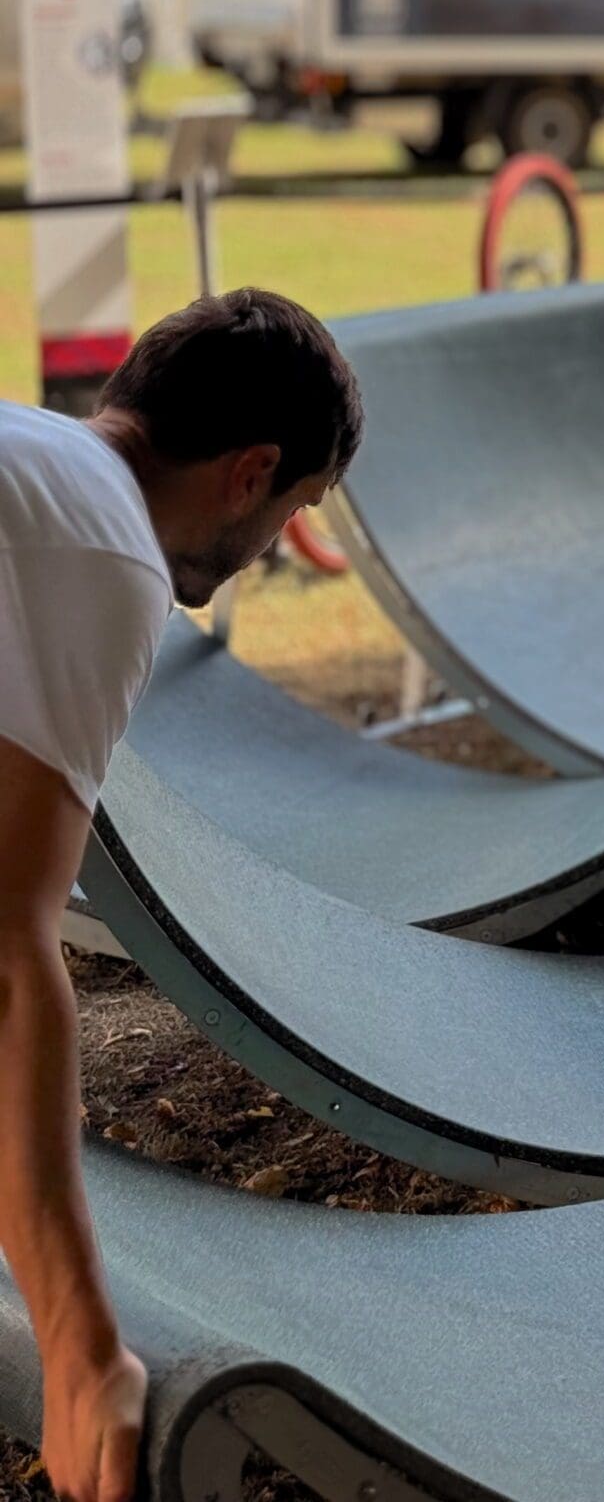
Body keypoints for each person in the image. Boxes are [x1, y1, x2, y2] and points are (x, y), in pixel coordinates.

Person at [0, 290, 362, 1502]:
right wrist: (79, 1342)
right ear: (251, 471)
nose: (270, 538)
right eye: (293, 510)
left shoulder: (34, 460)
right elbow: (7, 958)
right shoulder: (103, 548)